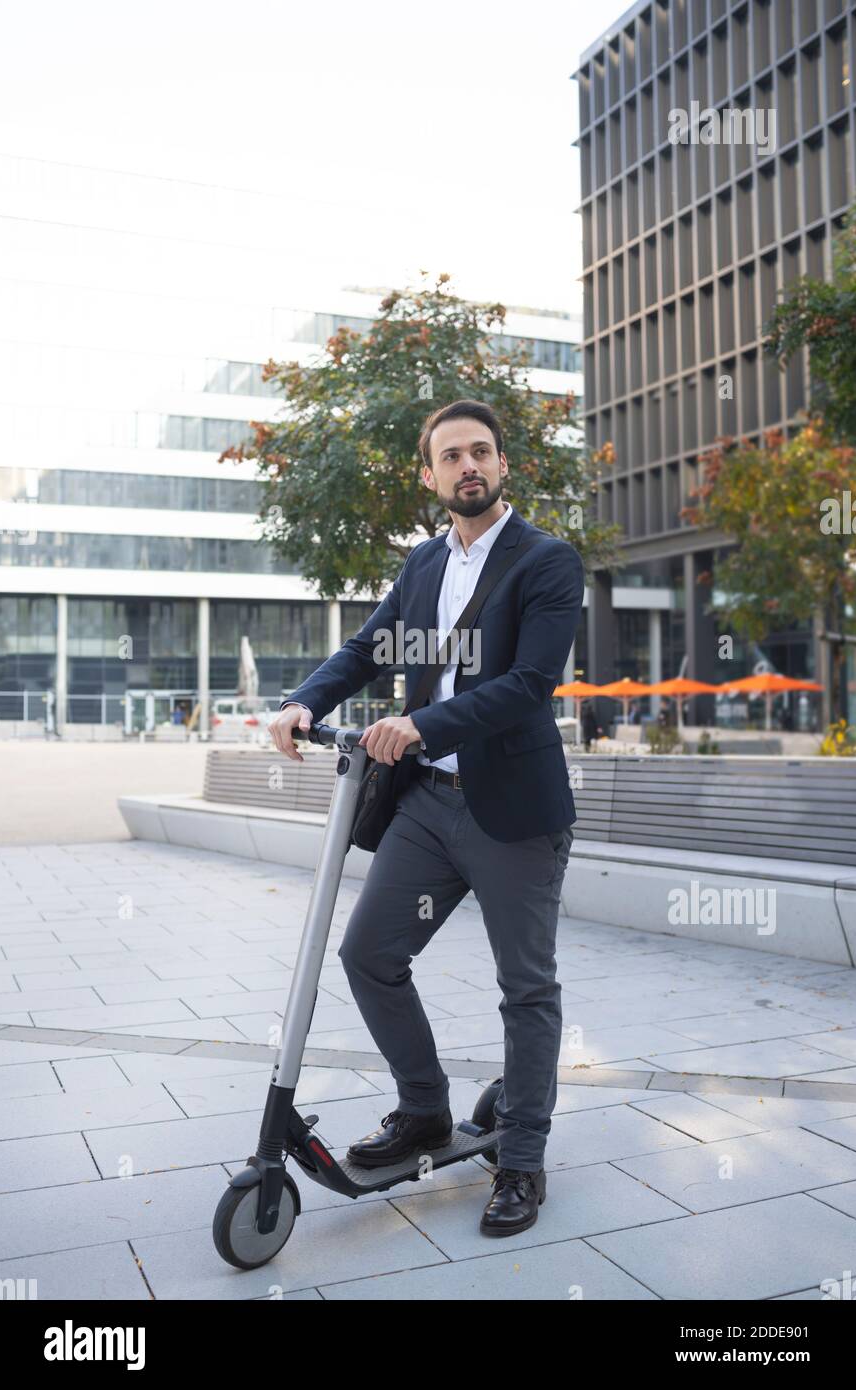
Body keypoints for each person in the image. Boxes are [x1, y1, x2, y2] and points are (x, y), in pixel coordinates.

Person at [269, 399, 584, 1238]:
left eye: (481, 451)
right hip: (427, 808)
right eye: (451, 456)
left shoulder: (546, 562)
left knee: (526, 988)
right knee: (369, 954)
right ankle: (425, 1110)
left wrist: (422, 726)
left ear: (504, 465)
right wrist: (303, 701)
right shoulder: (421, 566)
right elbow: (370, 647)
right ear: (430, 474)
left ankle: (521, 1160)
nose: (468, 466)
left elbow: (528, 683)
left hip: (512, 814)